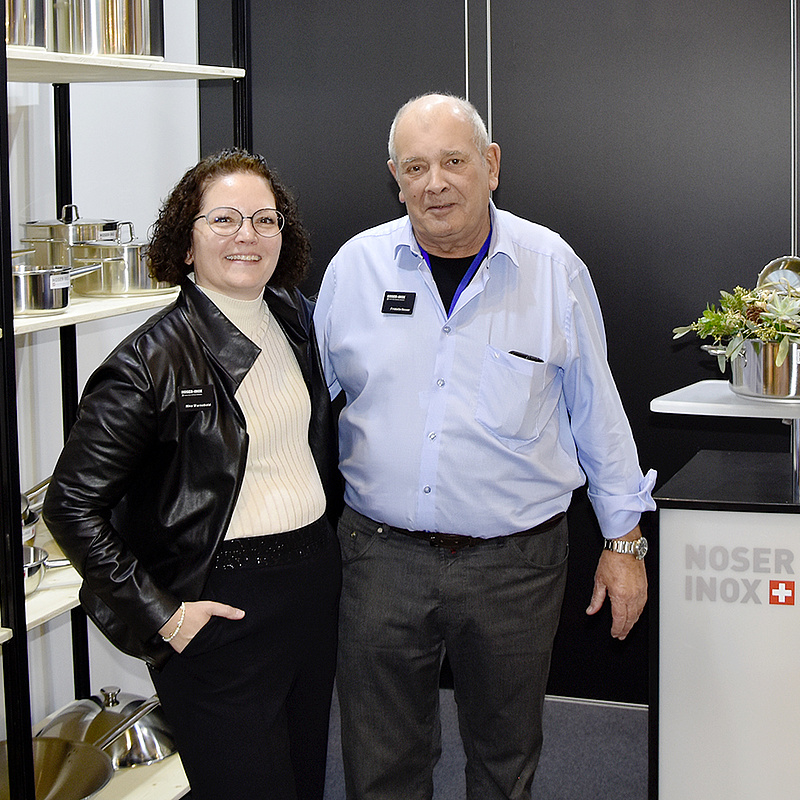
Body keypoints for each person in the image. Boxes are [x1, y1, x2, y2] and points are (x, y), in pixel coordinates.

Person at [313, 93, 656, 800]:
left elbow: (597, 410)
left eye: (453, 162)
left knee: (505, 760)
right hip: (380, 560)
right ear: (395, 177)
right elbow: (302, 402)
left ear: (491, 165)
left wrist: (624, 542)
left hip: (515, 568)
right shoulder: (356, 269)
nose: (435, 183)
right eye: (415, 167)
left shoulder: (551, 267)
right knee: (379, 765)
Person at [43, 149, 341, 800]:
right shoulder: (147, 363)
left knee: (303, 778)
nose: (247, 235)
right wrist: (165, 617)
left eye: (264, 220)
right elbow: (70, 506)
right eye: (224, 219)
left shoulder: (293, 318)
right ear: (185, 242)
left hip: (309, 589)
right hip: (219, 604)